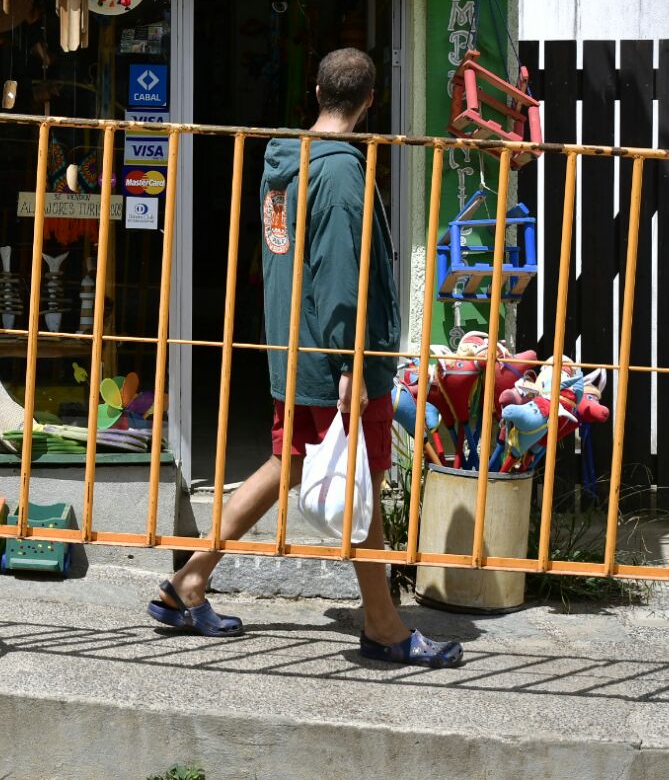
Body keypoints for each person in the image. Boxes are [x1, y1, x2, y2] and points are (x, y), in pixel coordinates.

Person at [147, 47, 463, 668]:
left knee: (286, 462)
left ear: (317, 90)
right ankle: (384, 626)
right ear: (372, 102)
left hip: (292, 346)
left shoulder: (284, 160)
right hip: (332, 359)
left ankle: (188, 582)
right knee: (360, 482)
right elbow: (340, 272)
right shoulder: (342, 172)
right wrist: (351, 363)